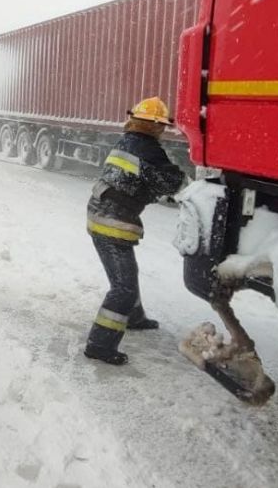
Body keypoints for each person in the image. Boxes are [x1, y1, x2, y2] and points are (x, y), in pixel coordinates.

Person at [84, 97, 186, 366]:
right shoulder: (149, 149)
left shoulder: (126, 141)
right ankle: (99, 345)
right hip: (113, 222)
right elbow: (171, 182)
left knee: (127, 274)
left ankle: (134, 317)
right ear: (153, 125)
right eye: (161, 125)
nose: (163, 130)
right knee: (124, 288)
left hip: (99, 213)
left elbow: (138, 179)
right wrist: (183, 180)